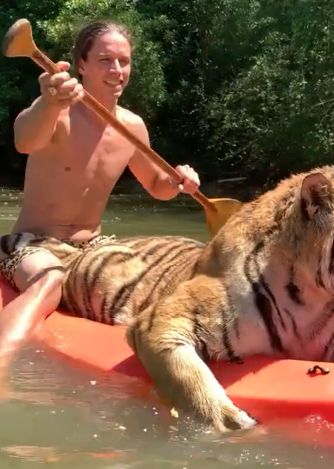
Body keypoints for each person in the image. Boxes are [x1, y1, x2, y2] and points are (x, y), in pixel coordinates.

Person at [0, 20, 200, 374]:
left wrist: (180, 181)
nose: (117, 70)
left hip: (93, 247)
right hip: (32, 242)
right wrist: (48, 102)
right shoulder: (56, 109)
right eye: (105, 60)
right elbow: (24, 140)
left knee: (162, 275)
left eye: (124, 61)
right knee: (50, 279)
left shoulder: (132, 126)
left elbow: (157, 185)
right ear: (82, 65)